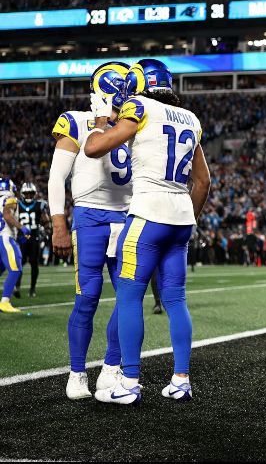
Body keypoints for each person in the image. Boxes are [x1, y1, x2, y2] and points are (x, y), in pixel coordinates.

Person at [86, 59, 211, 405]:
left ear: (141, 81)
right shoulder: (192, 118)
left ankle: (128, 381)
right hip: (181, 219)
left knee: (129, 296)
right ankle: (181, 380)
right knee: (175, 299)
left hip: (147, 214)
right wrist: (189, 218)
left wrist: (99, 120)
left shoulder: (139, 106)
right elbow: (203, 182)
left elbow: (94, 148)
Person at [48, 61, 132, 399]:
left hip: (127, 216)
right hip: (90, 217)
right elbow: (57, 176)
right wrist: (58, 223)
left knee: (128, 298)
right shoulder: (75, 120)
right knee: (87, 298)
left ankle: (111, 367)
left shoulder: (133, 122)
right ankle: (77, 372)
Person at [16, 182, 50, 298]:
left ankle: (32, 288)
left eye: (31, 194)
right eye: (27, 194)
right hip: (21, 237)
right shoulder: (17, 205)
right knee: (19, 262)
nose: (29, 196)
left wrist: (46, 231)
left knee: (34, 262)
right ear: (22, 194)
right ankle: (17, 286)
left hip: (34, 237)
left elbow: (46, 221)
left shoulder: (40, 205)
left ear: (34, 194)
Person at [0, 179, 29, 313]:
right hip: (5, 237)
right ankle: (5, 301)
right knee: (16, 268)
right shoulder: (10, 198)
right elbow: (7, 215)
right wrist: (22, 228)